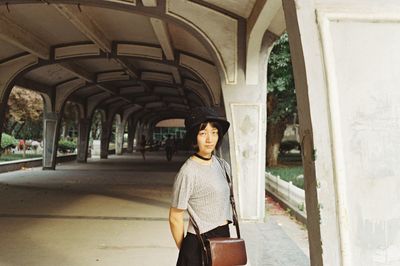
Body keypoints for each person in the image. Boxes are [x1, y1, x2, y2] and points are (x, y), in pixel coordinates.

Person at [169, 107, 232, 266]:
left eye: (214, 132)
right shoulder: (188, 172)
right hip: (198, 241)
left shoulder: (223, 165)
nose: (210, 139)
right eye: (203, 133)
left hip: (223, 237)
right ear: (194, 137)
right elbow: (175, 216)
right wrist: (186, 252)